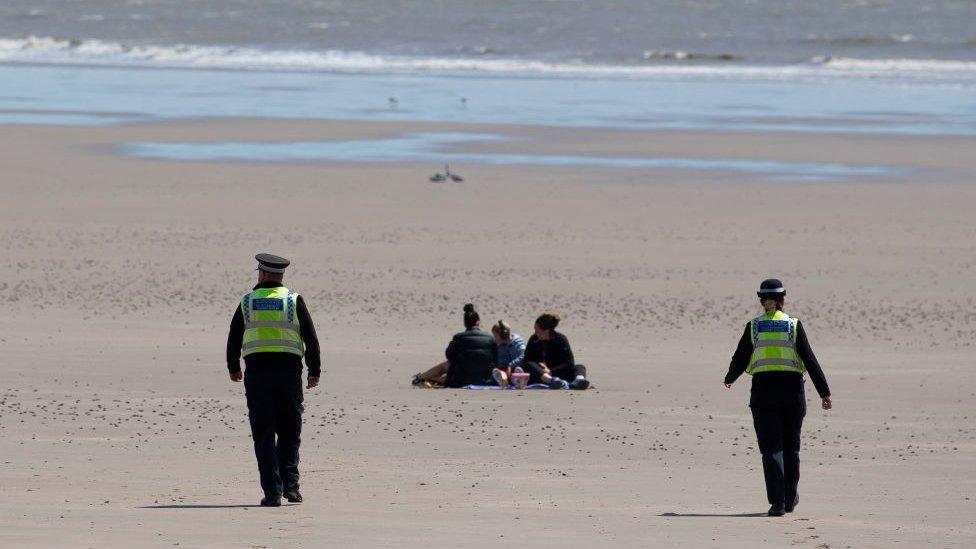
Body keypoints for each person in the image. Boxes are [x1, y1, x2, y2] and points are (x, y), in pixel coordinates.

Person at [724, 279, 832, 517]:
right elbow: (810, 360)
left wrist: (730, 376)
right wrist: (824, 392)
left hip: (763, 393)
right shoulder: (793, 325)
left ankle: (778, 502)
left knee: (771, 449)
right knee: (791, 449)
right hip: (793, 392)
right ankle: (790, 498)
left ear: (762, 301)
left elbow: (741, 357)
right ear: (783, 299)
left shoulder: (754, 327)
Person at [226, 253, 321, 507]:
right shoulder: (293, 301)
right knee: (290, 430)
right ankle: (291, 487)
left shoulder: (247, 302)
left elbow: (234, 335)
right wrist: (314, 370)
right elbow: (310, 336)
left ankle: (272, 492)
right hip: (289, 374)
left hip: (257, 375)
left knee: (264, 433)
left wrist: (233, 366)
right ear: (279, 276)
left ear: (264, 274)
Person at [412, 304, 497, 388]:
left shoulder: (458, 337)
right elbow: (496, 358)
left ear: (465, 323)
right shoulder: (490, 338)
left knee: (446, 365)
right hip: (485, 379)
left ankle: (421, 378)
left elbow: (449, 355)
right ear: (478, 321)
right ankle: (429, 379)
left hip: (459, 380)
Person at [522, 312, 590, 390]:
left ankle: (579, 381)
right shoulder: (534, 339)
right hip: (541, 374)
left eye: (537, 330)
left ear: (546, 331)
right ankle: (551, 381)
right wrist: (542, 368)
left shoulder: (561, 339)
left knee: (580, 367)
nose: (535, 332)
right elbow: (527, 360)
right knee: (529, 364)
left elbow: (569, 363)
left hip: (558, 372)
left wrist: (551, 371)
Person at [489, 320, 526, 387]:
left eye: (495, 336)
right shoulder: (500, 346)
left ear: (503, 336)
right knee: (499, 371)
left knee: (517, 370)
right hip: (505, 369)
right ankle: (503, 381)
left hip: (516, 367)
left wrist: (511, 365)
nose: (494, 339)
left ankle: (518, 381)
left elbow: (523, 355)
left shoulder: (517, 342)